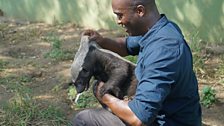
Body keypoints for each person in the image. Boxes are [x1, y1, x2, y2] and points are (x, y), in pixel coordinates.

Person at [72, 0, 202, 125]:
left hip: (167, 121)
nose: (118, 21)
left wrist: (104, 96)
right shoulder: (159, 30)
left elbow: (138, 118)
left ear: (140, 11)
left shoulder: (164, 50)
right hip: (166, 113)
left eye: (120, 15)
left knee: (83, 119)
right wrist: (102, 40)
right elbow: (126, 46)